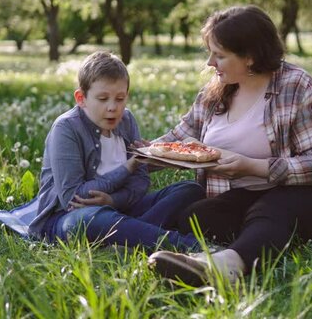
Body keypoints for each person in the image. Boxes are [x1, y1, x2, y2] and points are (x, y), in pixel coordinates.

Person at [147, 6, 312, 285]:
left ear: (250, 57)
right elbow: (178, 138)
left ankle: (229, 267)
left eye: (220, 55)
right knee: (194, 216)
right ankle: (248, 245)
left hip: (302, 194)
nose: (210, 63)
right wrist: (131, 159)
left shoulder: (296, 86)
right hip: (244, 197)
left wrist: (254, 167)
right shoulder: (217, 89)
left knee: (274, 209)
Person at [27, 51, 204, 250]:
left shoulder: (126, 120)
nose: (113, 107)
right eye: (103, 99)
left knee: (191, 190)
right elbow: (75, 197)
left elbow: (141, 181)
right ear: (81, 98)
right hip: (68, 218)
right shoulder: (66, 128)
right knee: (90, 219)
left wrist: (113, 201)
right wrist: (128, 166)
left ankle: (127, 236)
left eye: (120, 99)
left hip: (121, 209)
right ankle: (187, 246)